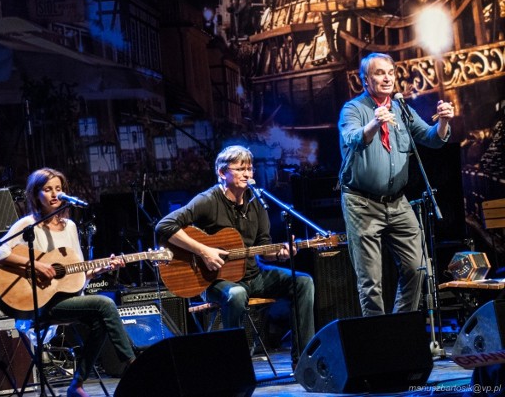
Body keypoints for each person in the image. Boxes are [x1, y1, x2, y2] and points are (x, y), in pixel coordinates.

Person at [155, 145, 315, 365]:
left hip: (253, 275)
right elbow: (164, 226)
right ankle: (233, 363)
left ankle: (304, 361)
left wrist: (280, 254)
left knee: (303, 282)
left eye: (250, 169)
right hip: (215, 281)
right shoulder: (208, 200)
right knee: (237, 294)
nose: (247, 174)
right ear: (222, 173)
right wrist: (203, 250)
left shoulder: (257, 202)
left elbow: (264, 248)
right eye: (240, 169)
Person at [0, 167, 135, 397]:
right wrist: (34, 265)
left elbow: (76, 278)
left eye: (59, 189)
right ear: (36, 194)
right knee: (105, 305)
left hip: (66, 300)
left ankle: (76, 384)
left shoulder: (71, 227)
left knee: (100, 322)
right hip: (40, 303)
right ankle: (133, 366)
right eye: (48, 189)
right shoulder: (27, 225)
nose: (55, 194)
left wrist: (98, 271)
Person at [338, 52, 454, 317]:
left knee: (418, 267)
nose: (387, 77)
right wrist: (374, 123)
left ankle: (401, 330)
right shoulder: (353, 109)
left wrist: (444, 120)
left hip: (398, 202)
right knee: (371, 282)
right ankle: (379, 345)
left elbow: (431, 138)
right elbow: (353, 138)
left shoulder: (401, 108)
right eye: (379, 73)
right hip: (362, 202)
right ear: (365, 80)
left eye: (390, 72)